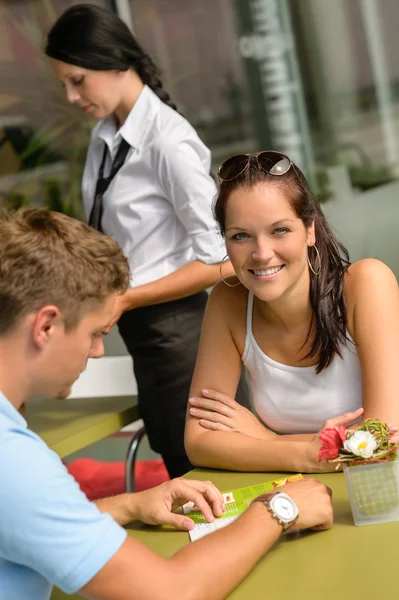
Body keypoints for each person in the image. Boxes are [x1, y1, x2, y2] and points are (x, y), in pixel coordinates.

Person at [0, 207, 333, 600]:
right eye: (95, 333)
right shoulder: (13, 460)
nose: (97, 351)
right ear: (46, 327)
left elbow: (25, 520)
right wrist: (278, 509)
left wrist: (128, 505)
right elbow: (171, 593)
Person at [45, 3, 247, 479]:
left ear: (115, 61)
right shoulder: (105, 136)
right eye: (64, 85)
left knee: (207, 475)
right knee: (179, 468)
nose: (72, 97)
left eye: (78, 80)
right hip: (144, 332)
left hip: (184, 335)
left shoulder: (167, 141)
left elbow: (225, 260)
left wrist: (127, 297)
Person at [184, 151, 399, 473]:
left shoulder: (366, 284)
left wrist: (266, 440)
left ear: (309, 229)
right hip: (304, 493)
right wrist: (305, 453)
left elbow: (382, 443)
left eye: (280, 230)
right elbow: (200, 442)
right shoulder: (228, 302)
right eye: (240, 235)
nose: (261, 253)